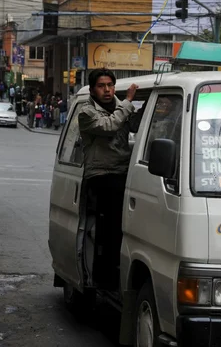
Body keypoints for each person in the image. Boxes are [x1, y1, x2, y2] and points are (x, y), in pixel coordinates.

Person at [78, 68, 145, 290]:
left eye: (110, 85)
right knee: (110, 228)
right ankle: (104, 279)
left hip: (122, 172)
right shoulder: (86, 112)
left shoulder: (121, 107)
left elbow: (134, 126)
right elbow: (110, 126)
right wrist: (128, 102)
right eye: (101, 86)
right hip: (101, 174)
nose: (107, 90)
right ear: (93, 89)